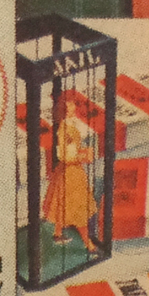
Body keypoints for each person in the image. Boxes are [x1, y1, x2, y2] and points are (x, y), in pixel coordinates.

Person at [45, 96, 100, 250]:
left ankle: (57, 234)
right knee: (78, 209)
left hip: (68, 171)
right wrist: (84, 156)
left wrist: (81, 153)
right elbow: (65, 156)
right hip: (71, 173)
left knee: (63, 204)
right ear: (65, 112)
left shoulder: (67, 126)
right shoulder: (65, 131)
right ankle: (89, 245)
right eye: (70, 107)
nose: (74, 108)